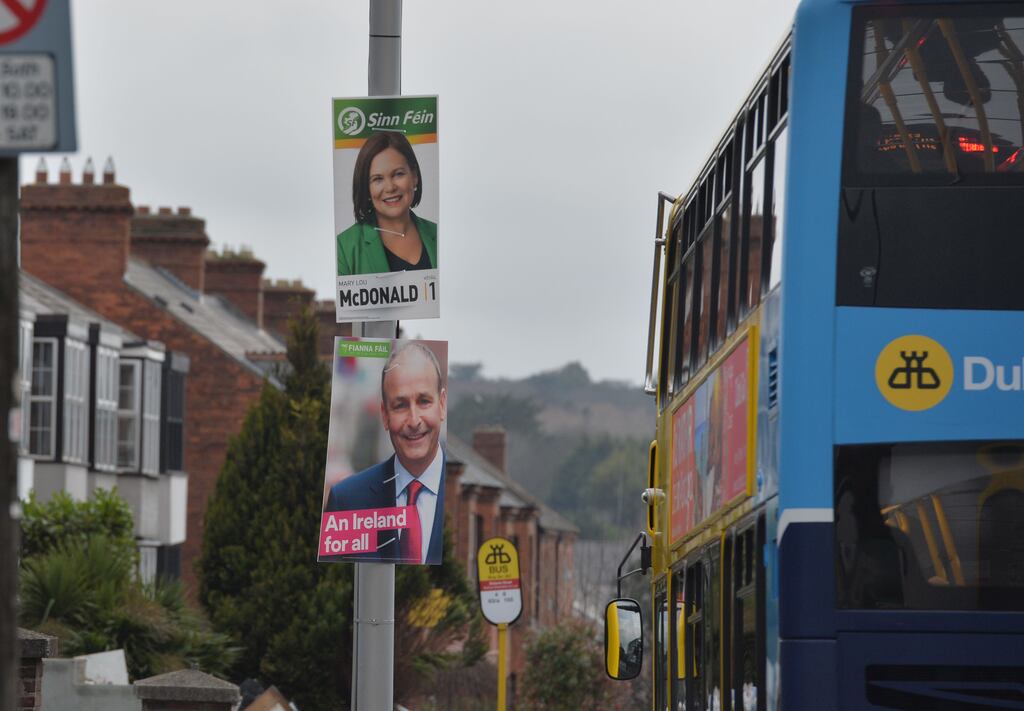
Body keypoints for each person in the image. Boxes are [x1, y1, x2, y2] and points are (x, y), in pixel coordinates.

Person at [324, 342, 447, 564]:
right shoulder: (346, 499)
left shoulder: (456, 493)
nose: (414, 420)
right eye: (400, 405)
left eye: (424, 401)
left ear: (443, 404)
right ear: (384, 414)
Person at [336, 131, 438, 277]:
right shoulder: (344, 248)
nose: (390, 188)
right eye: (377, 179)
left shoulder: (438, 233)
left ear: (414, 176)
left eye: (398, 174)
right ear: (366, 187)